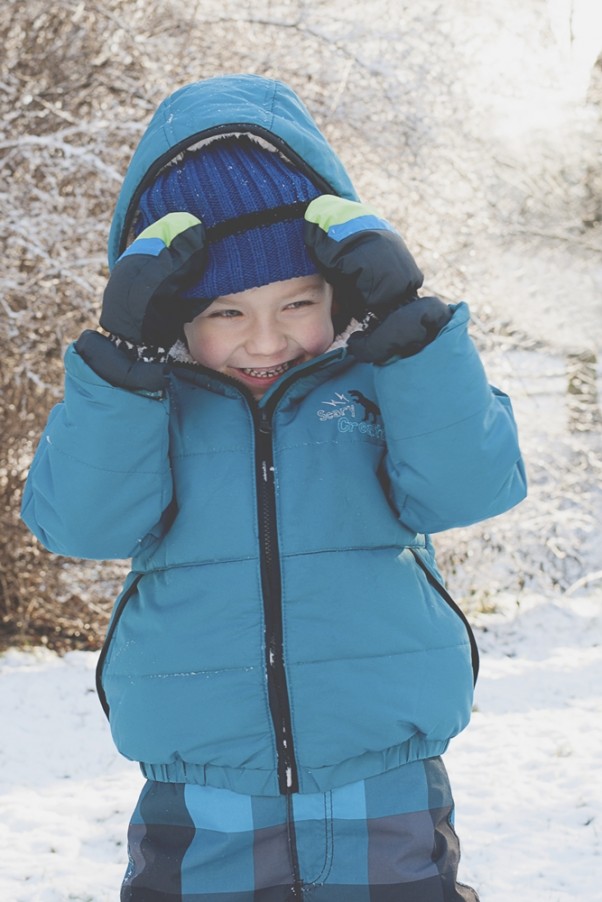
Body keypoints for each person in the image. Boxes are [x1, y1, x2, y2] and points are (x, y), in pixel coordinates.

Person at [21, 74, 527, 901]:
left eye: (298, 302)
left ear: (342, 293)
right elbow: (79, 522)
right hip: (202, 784)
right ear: (172, 316)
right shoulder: (145, 409)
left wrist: (410, 329)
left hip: (383, 779)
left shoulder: (381, 382)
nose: (267, 339)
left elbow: (475, 483)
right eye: (225, 312)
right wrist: (122, 364)